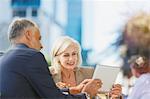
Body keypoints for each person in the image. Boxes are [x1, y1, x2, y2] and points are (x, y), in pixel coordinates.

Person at [0, 18, 101, 99]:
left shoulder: (3, 58)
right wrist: (86, 95)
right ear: (28, 34)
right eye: (39, 39)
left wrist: (71, 90)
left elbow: (34, 91)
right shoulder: (32, 56)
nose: (41, 46)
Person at [49, 36, 122, 98]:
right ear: (57, 57)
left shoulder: (89, 73)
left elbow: (99, 96)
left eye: (74, 54)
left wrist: (114, 96)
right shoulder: (48, 75)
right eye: (66, 55)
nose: (71, 59)